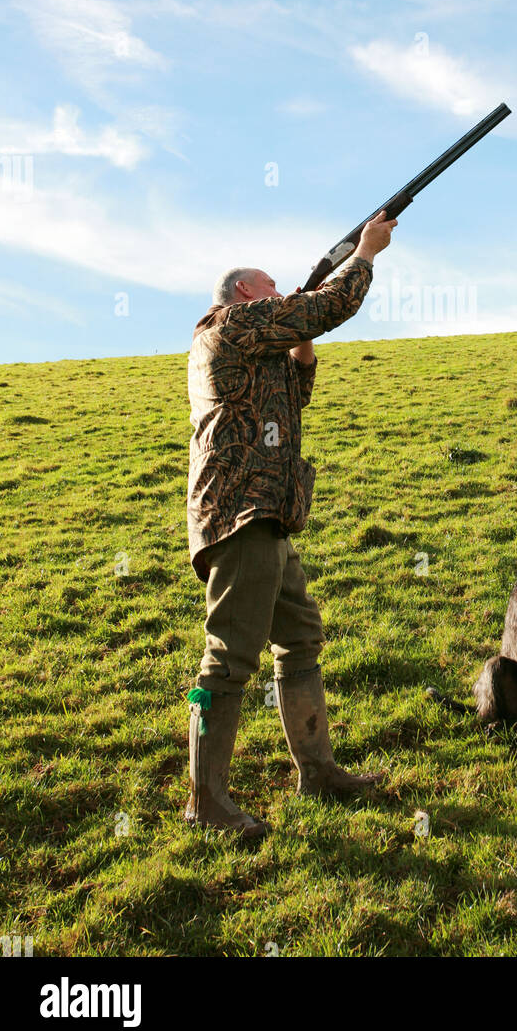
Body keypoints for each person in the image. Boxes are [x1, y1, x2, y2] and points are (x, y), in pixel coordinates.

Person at [184, 210, 397, 837]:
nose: (282, 292)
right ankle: (207, 803)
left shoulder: (256, 345)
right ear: (246, 292)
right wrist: (366, 253)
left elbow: (294, 395)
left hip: (270, 515)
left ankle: (318, 772)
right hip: (241, 516)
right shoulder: (231, 325)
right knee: (227, 661)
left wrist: (304, 341)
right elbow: (327, 309)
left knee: (300, 639)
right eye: (273, 285)